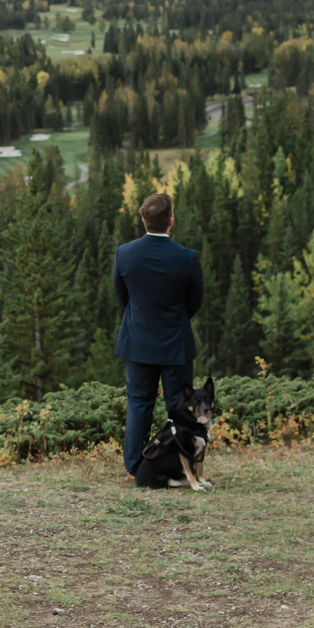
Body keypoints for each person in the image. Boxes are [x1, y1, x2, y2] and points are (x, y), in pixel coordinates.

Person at [113, 192, 205, 478]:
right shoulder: (187, 258)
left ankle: (136, 467)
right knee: (180, 407)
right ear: (171, 222)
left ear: (144, 220)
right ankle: (179, 466)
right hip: (175, 342)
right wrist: (177, 320)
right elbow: (195, 300)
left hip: (137, 341)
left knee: (139, 404)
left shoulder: (125, 253)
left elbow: (122, 296)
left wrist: (141, 320)